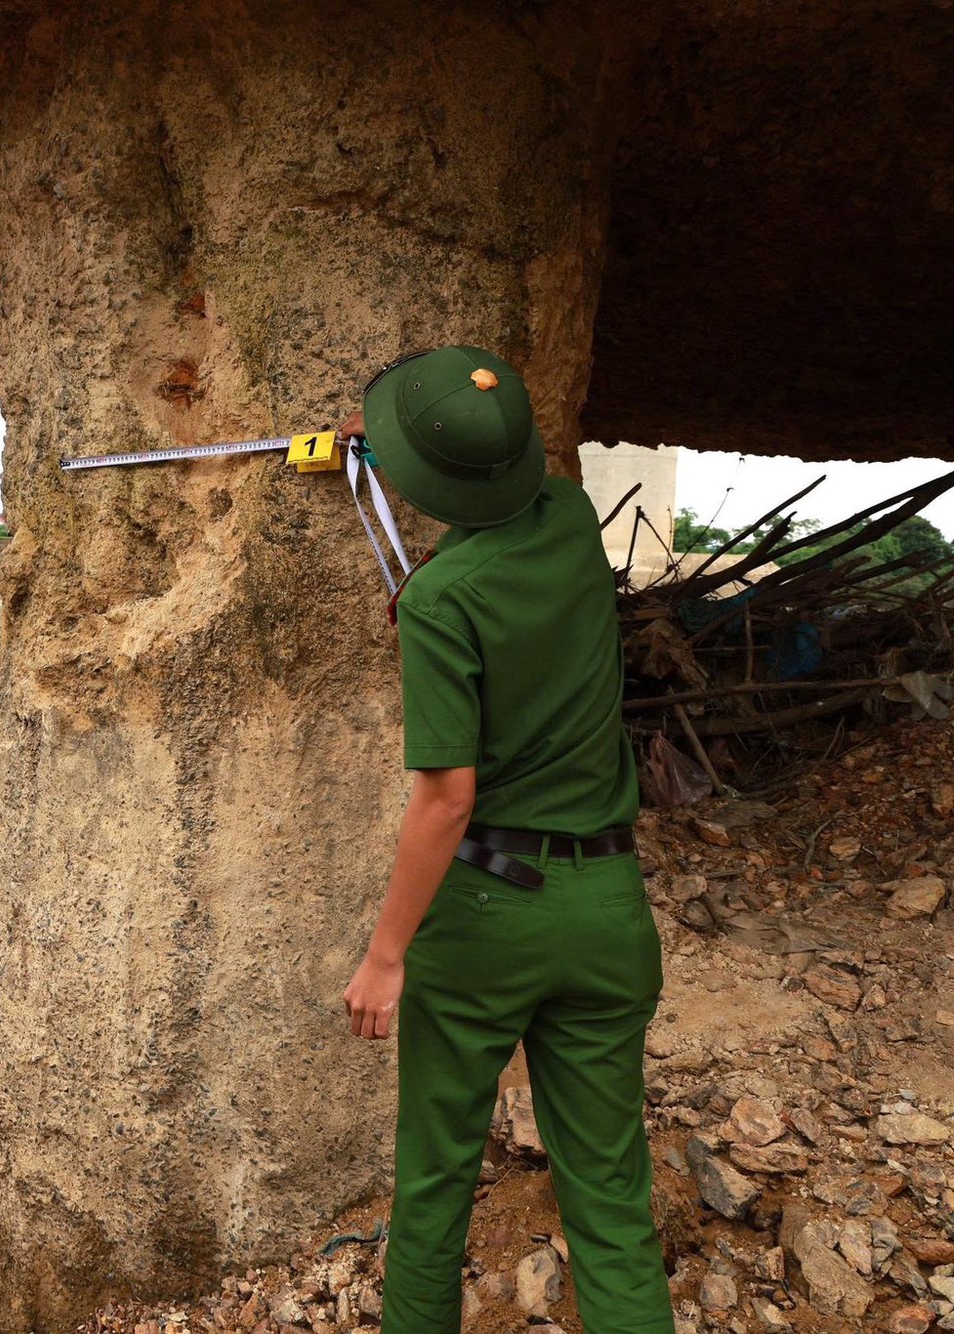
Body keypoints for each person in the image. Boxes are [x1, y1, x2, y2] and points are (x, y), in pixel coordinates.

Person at [337, 347, 672, 1331]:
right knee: (610, 1207)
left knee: (433, 1190)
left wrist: (383, 953)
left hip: (484, 913)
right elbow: (507, 484)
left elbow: (443, 799)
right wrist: (403, 454)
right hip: (607, 906)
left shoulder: (439, 601)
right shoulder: (570, 516)